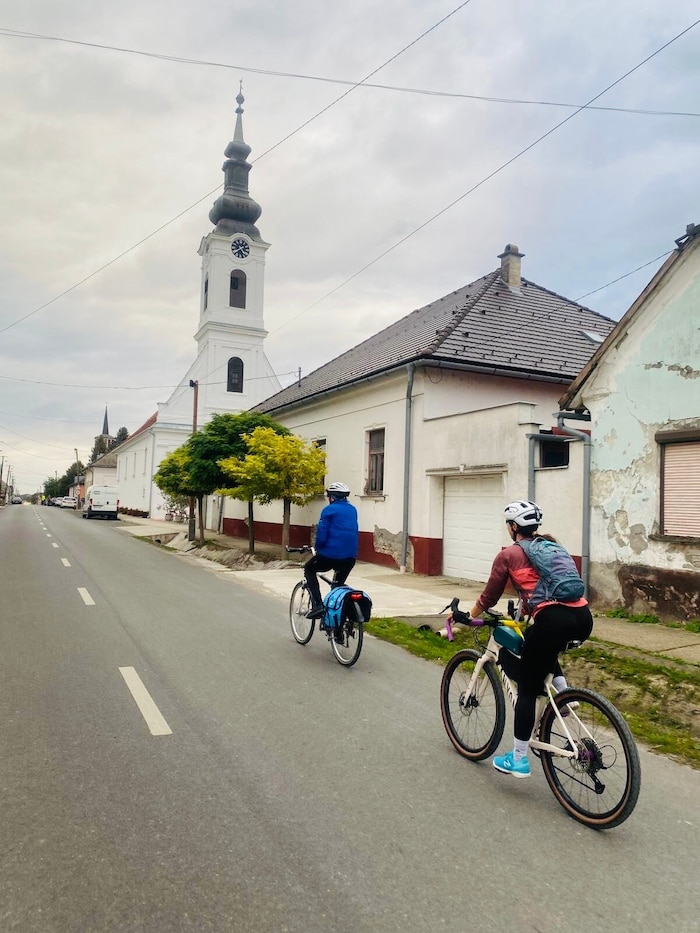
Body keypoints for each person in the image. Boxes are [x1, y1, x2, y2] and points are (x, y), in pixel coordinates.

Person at [468, 499, 593, 778]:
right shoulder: (552, 546)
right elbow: (547, 587)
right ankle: (564, 694)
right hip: (583, 618)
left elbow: (490, 596)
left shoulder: (509, 554)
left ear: (513, 527)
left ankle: (519, 759)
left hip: (553, 621)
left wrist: (468, 614)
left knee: (527, 686)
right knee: (541, 646)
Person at [304, 482, 359, 619]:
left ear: (332, 497)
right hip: (350, 558)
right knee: (337, 586)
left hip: (330, 555)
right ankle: (338, 628)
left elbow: (322, 533)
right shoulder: (353, 510)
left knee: (309, 569)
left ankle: (318, 606)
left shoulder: (329, 510)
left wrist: (318, 548)